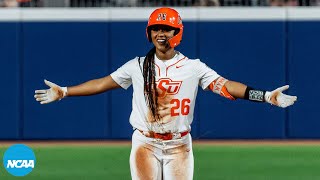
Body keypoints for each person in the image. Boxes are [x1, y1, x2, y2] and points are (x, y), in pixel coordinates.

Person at [34, 7, 297, 180]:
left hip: (179, 145)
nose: (161, 33)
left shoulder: (193, 67)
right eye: (156, 29)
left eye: (167, 29)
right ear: (149, 33)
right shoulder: (137, 65)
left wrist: (264, 96)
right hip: (145, 143)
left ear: (177, 33)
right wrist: (65, 91)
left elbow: (226, 86)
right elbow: (103, 83)